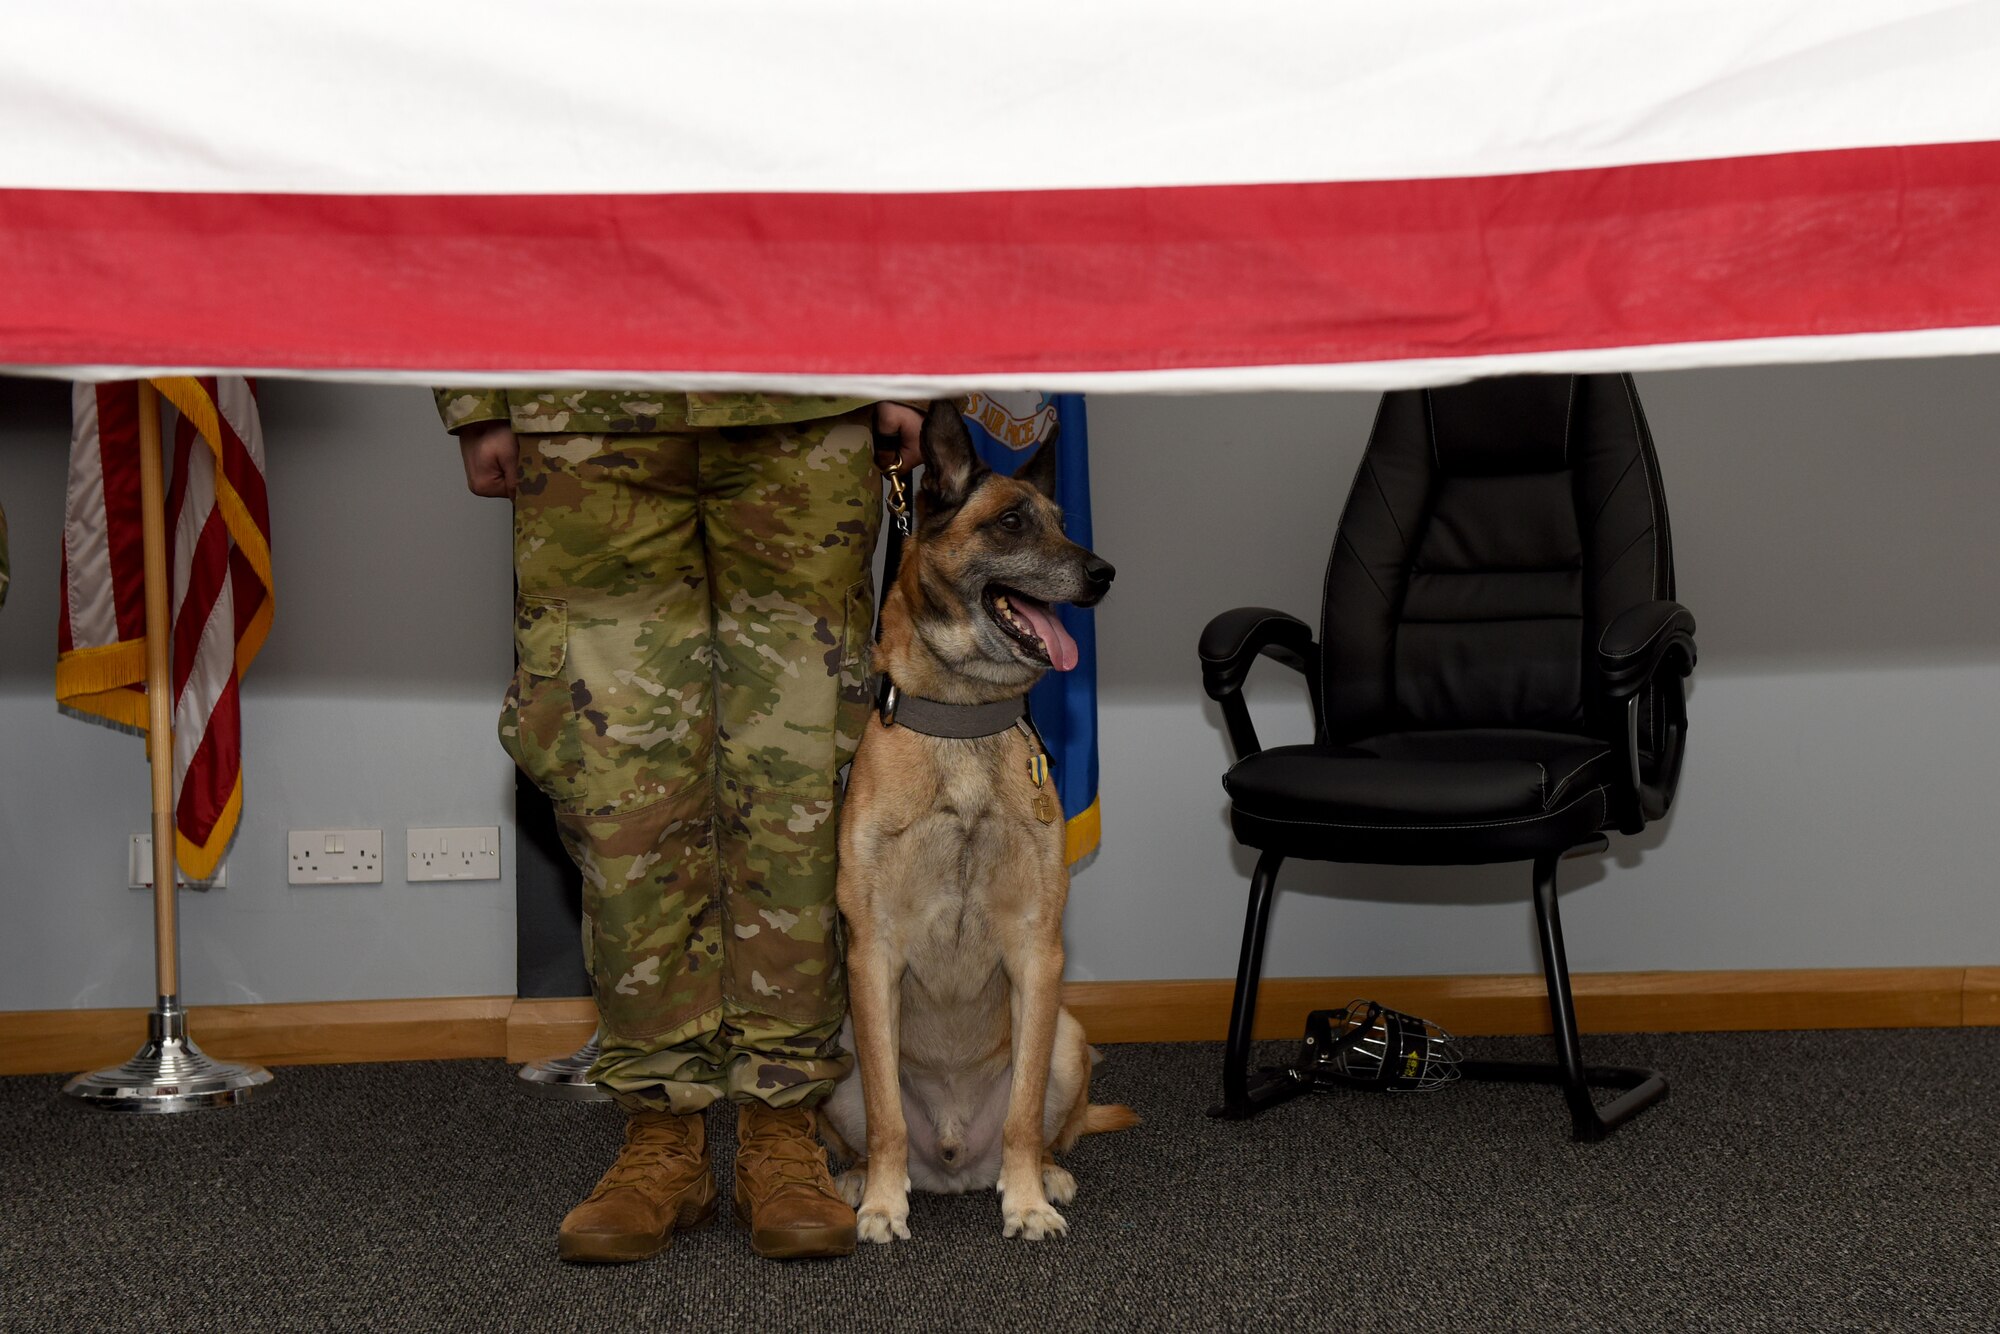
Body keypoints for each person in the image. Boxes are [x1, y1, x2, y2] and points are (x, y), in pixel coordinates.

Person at [438, 387, 923, 1262]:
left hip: (803, 395)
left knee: (797, 790)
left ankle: (782, 1123)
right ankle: (662, 1131)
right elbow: (461, 240)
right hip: (588, 400)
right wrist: (476, 399)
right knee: (622, 793)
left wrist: (918, 374)